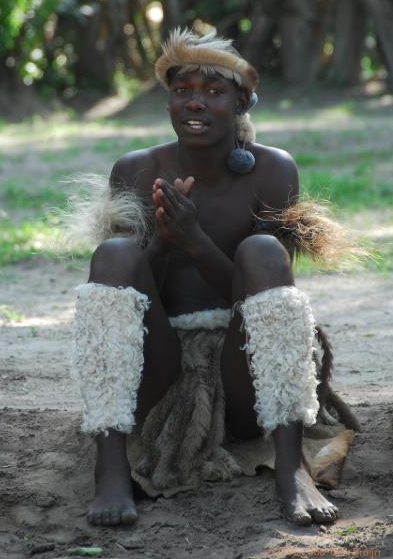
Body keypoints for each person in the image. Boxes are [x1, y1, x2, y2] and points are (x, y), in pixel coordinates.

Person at [72, 28, 340, 528]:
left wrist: (195, 240)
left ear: (241, 101)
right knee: (114, 254)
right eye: (182, 91)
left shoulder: (271, 170)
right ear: (168, 100)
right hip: (159, 367)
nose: (195, 103)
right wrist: (166, 243)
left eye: (214, 92)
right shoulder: (135, 169)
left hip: (246, 371)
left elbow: (262, 295)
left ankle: (291, 465)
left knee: (262, 250)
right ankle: (109, 468)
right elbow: (130, 292)